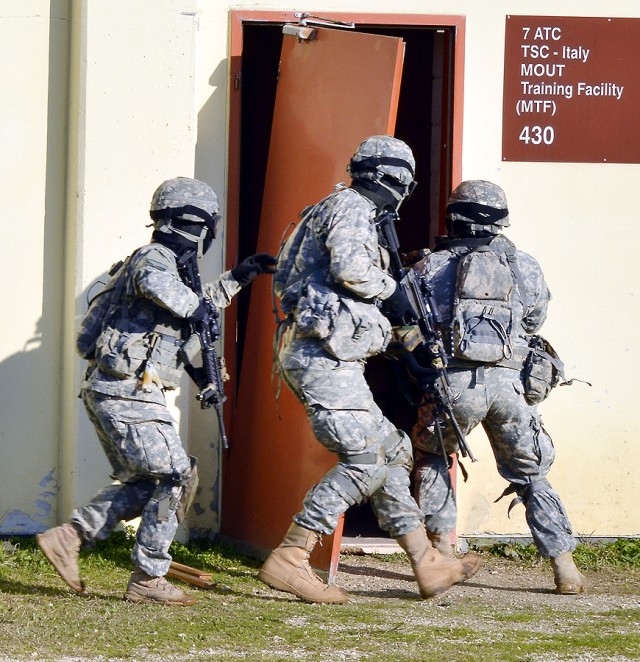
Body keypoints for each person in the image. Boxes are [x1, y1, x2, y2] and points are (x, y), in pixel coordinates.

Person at [257, 136, 481, 604]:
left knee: (393, 450)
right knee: (364, 458)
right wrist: (395, 295)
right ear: (395, 178)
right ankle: (291, 557)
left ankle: (426, 561)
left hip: (330, 356)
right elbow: (353, 273)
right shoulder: (355, 207)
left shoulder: (339, 208)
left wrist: (399, 341)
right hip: (322, 360)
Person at [36, 177, 276, 605]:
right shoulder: (153, 259)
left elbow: (185, 319)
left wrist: (238, 278)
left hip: (123, 392)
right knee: (177, 475)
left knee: (151, 481)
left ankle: (71, 539)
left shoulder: (167, 263)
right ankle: (146, 577)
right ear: (197, 223)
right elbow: (184, 303)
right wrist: (213, 299)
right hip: (125, 392)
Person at [410, 179, 586, 595]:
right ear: (501, 221)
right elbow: (533, 319)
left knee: (433, 455)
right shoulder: (524, 265)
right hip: (513, 386)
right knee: (532, 475)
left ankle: (442, 553)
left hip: (454, 386)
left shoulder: (430, 266)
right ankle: (566, 569)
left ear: (454, 217)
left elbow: (412, 319)